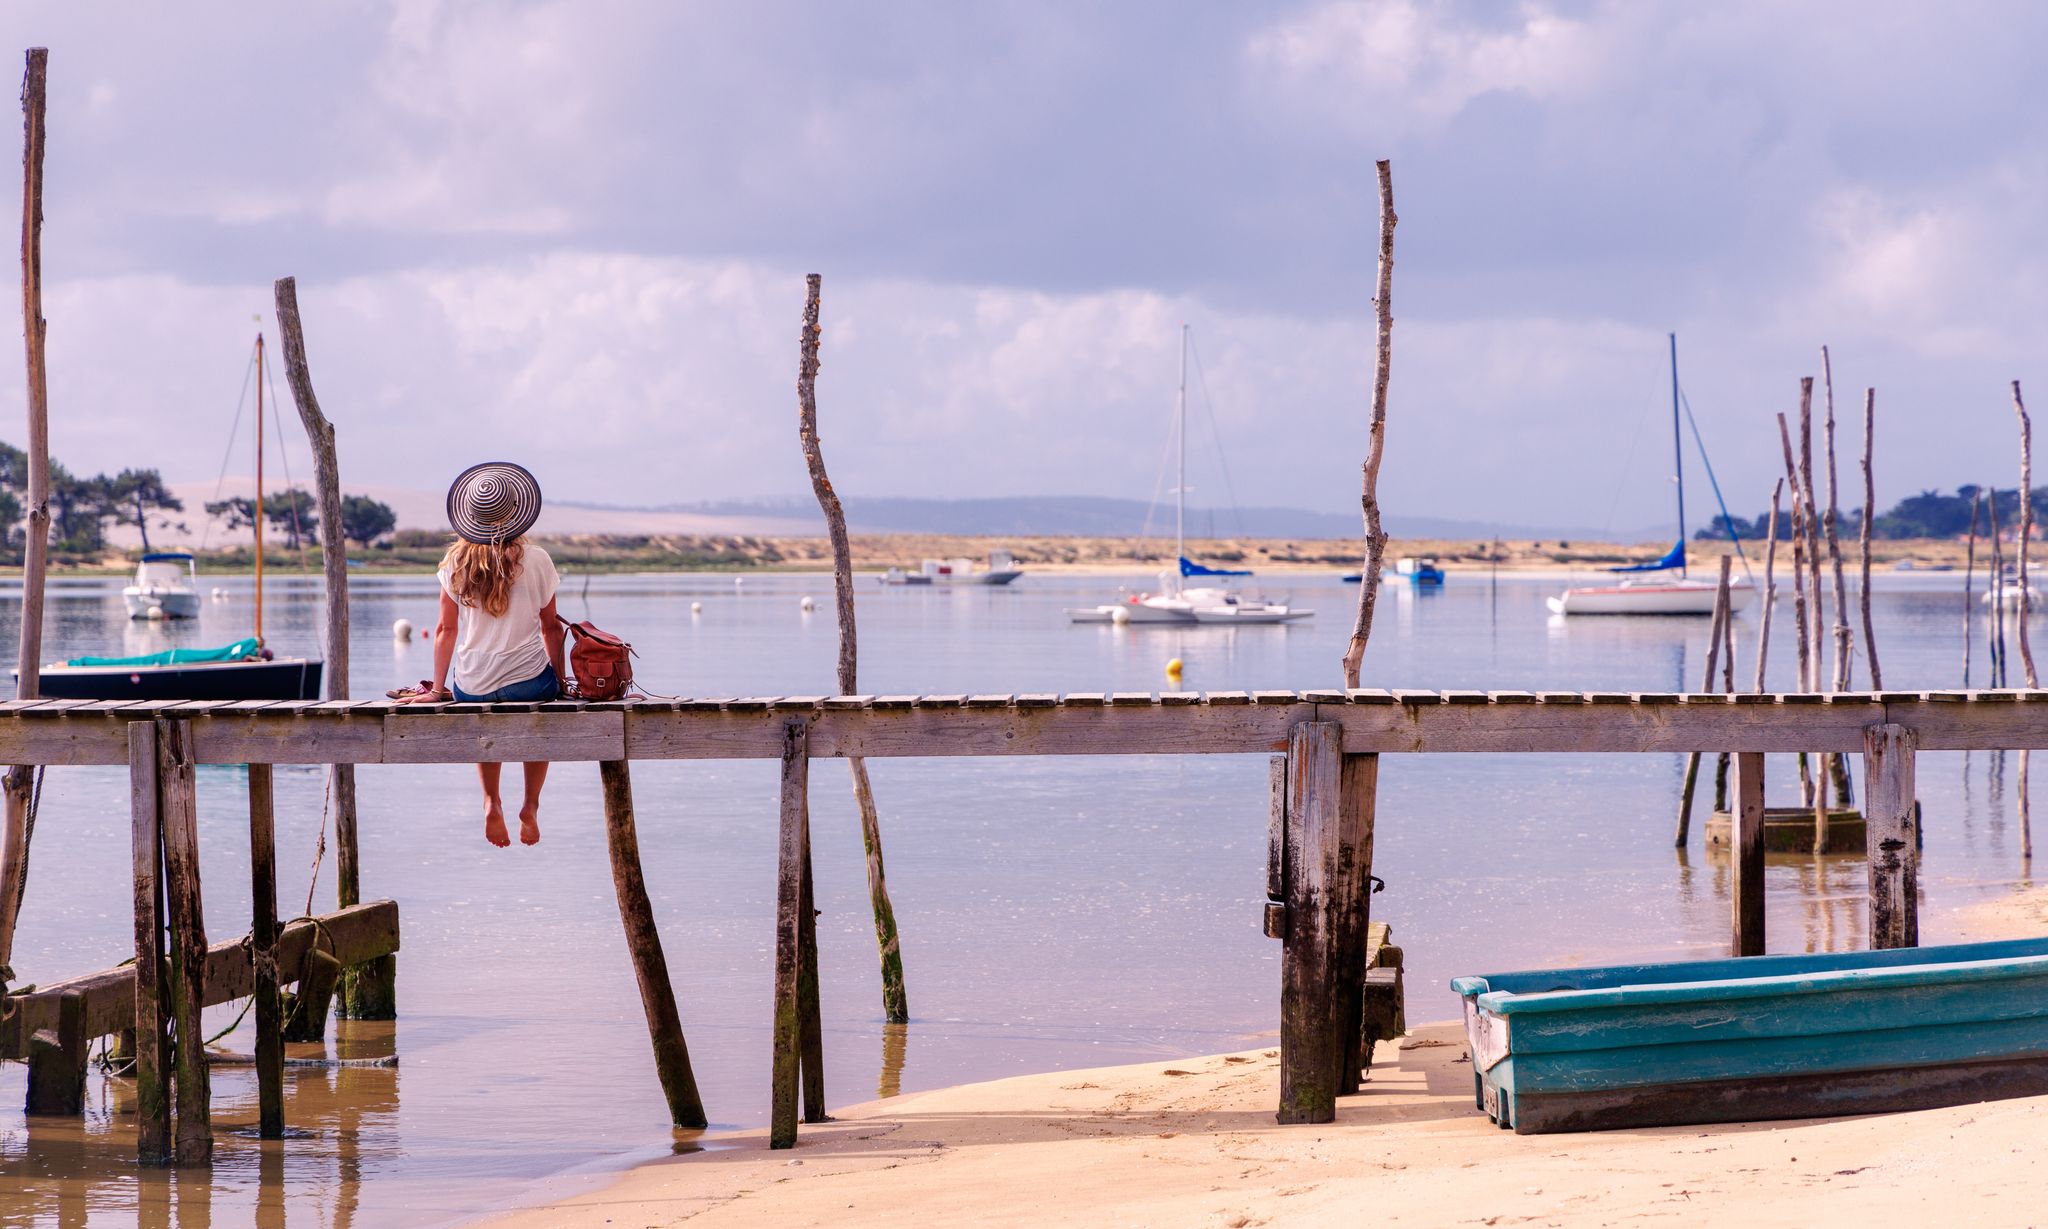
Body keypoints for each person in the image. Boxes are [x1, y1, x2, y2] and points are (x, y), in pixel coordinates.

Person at [402, 462, 564, 847]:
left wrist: (439, 687)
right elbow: (551, 628)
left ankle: (491, 802)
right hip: (530, 684)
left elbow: (446, 630)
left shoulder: (455, 564)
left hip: (472, 686)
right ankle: (530, 804)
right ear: (515, 511)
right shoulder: (537, 559)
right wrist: (559, 682)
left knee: (484, 722)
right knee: (537, 727)